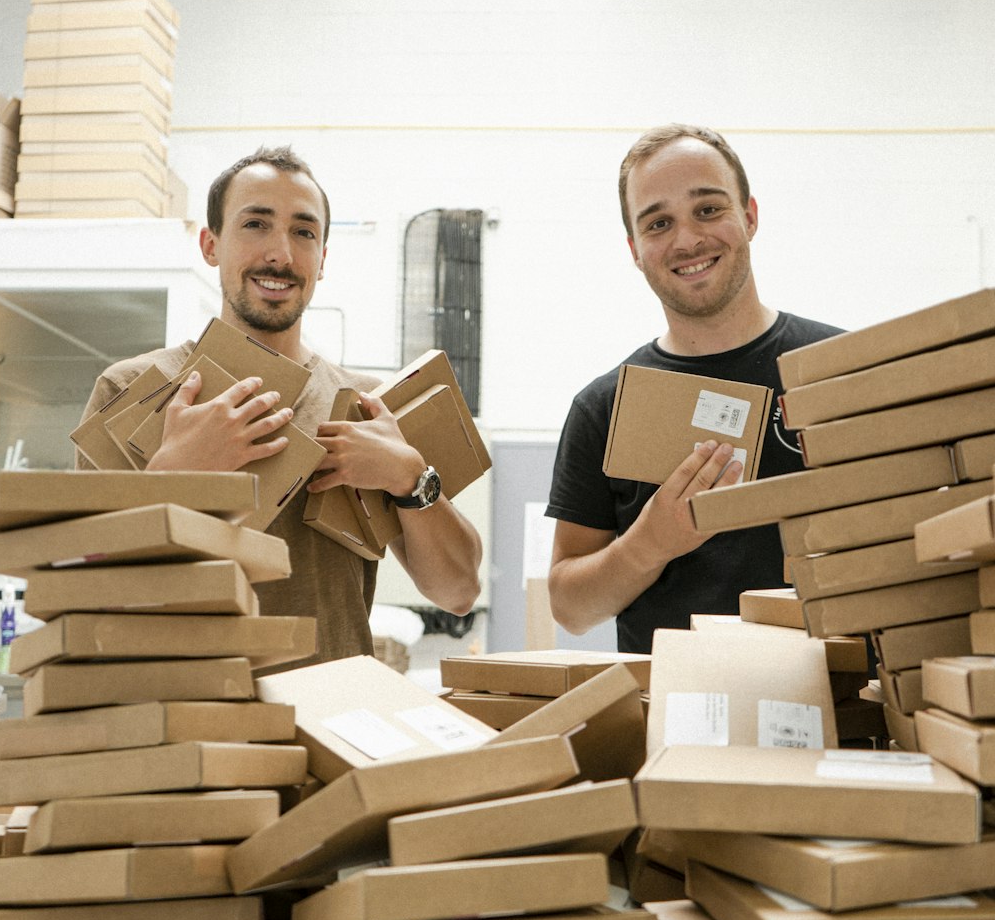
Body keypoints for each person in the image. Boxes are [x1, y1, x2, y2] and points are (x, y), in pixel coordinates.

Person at [75, 146, 482, 667]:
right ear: (210, 245)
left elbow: (458, 590)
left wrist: (409, 478)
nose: (281, 255)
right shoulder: (131, 389)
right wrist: (176, 476)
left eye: (304, 232)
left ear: (323, 259)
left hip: (333, 727)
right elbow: (87, 598)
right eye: (256, 224)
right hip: (188, 724)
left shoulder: (369, 409)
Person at [545, 123, 843, 653]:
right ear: (636, 250)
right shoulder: (604, 408)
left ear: (749, 216)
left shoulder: (840, 372)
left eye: (708, 209)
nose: (687, 240)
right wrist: (648, 544)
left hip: (840, 709)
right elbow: (570, 607)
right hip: (678, 717)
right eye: (659, 223)